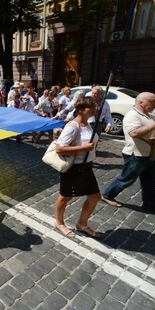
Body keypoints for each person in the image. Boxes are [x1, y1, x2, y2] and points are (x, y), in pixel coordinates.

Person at [102, 92, 155, 216]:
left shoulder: (150, 115)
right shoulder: (132, 116)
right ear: (141, 103)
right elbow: (134, 133)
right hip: (136, 155)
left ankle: (150, 205)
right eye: (152, 101)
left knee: (150, 181)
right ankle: (107, 195)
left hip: (150, 154)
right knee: (126, 179)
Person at [54, 97, 101, 238]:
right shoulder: (72, 126)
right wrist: (83, 147)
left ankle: (82, 224)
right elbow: (59, 149)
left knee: (95, 197)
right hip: (74, 168)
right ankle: (59, 222)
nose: (94, 110)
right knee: (65, 197)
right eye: (90, 108)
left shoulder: (87, 124)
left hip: (87, 167)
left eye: (95, 107)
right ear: (80, 109)